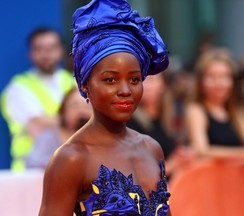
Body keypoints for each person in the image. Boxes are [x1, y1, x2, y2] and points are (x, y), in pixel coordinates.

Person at [39, 0, 171, 215]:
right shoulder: (71, 158)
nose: (125, 90)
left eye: (135, 79)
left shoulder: (152, 148)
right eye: (110, 80)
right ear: (85, 86)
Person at [1, 27, 75, 171]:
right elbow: (37, 127)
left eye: (51, 48)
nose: (45, 54)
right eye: (39, 49)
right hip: (30, 171)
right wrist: (79, 120)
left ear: (61, 51)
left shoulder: (74, 83)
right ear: (30, 53)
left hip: (71, 169)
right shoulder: (18, 87)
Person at [184, 48, 244, 167]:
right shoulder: (196, 110)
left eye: (225, 76)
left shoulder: (234, 111)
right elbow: (202, 150)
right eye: (211, 77)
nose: (219, 83)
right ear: (201, 81)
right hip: (209, 181)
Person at [26, 87, 92, 169]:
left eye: (87, 106)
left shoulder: (104, 139)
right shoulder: (48, 138)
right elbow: (34, 165)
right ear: (64, 111)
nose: (81, 111)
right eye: (75, 106)